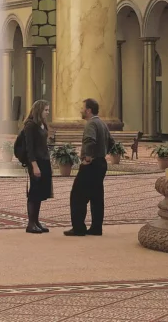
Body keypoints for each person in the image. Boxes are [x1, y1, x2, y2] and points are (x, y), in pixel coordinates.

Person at [64, 97, 113, 236]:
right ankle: (97, 227)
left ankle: (78, 228)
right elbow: (111, 142)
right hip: (101, 163)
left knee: (77, 195)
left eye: (83, 108)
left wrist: (88, 157)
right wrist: (102, 153)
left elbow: (90, 141)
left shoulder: (91, 124)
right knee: (97, 196)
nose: (81, 110)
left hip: (91, 165)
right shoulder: (102, 124)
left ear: (89, 110)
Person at [23, 99, 52, 234]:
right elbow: (29, 148)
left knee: (40, 193)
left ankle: (36, 221)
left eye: (48, 109)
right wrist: (34, 165)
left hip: (44, 160)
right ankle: (30, 223)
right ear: (39, 110)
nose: (48, 112)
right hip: (36, 162)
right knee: (34, 192)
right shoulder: (30, 125)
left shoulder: (42, 124)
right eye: (46, 110)